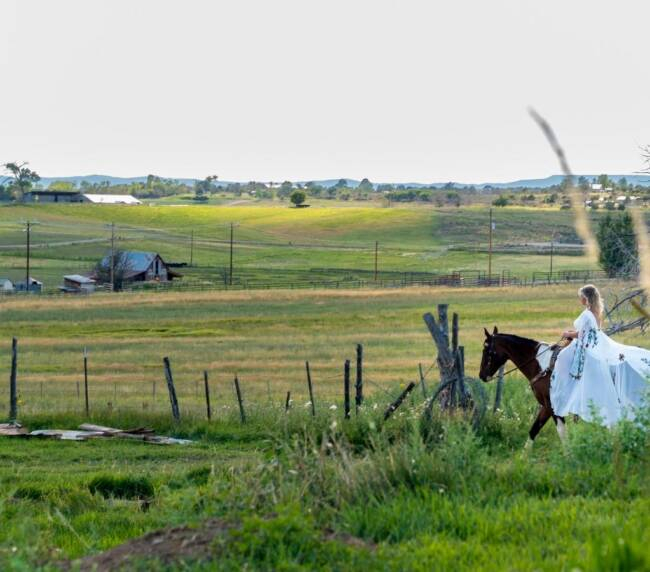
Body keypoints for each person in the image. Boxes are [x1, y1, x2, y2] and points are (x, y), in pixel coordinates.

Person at [550, 284, 650, 427]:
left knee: (562, 358)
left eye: (581, 297)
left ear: (586, 298)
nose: (580, 300)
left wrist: (568, 334)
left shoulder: (587, 314)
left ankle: (562, 393)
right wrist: (574, 331)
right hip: (592, 343)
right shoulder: (596, 311)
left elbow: (583, 334)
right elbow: (590, 331)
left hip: (586, 346)